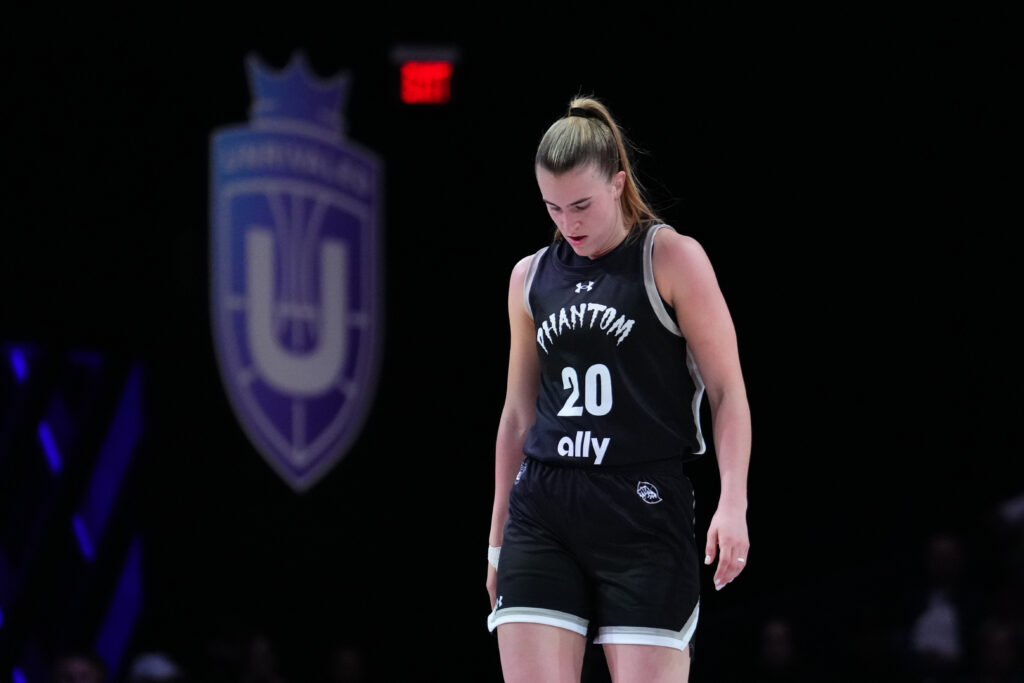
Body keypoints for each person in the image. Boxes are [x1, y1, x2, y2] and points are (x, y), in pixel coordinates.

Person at [484, 95, 752, 683]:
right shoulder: (528, 278)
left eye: (581, 204)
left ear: (618, 183)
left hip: (641, 505)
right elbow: (516, 418)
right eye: (553, 207)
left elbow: (728, 392)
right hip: (545, 507)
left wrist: (733, 501)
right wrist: (498, 535)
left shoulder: (671, 258)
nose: (568, 222)